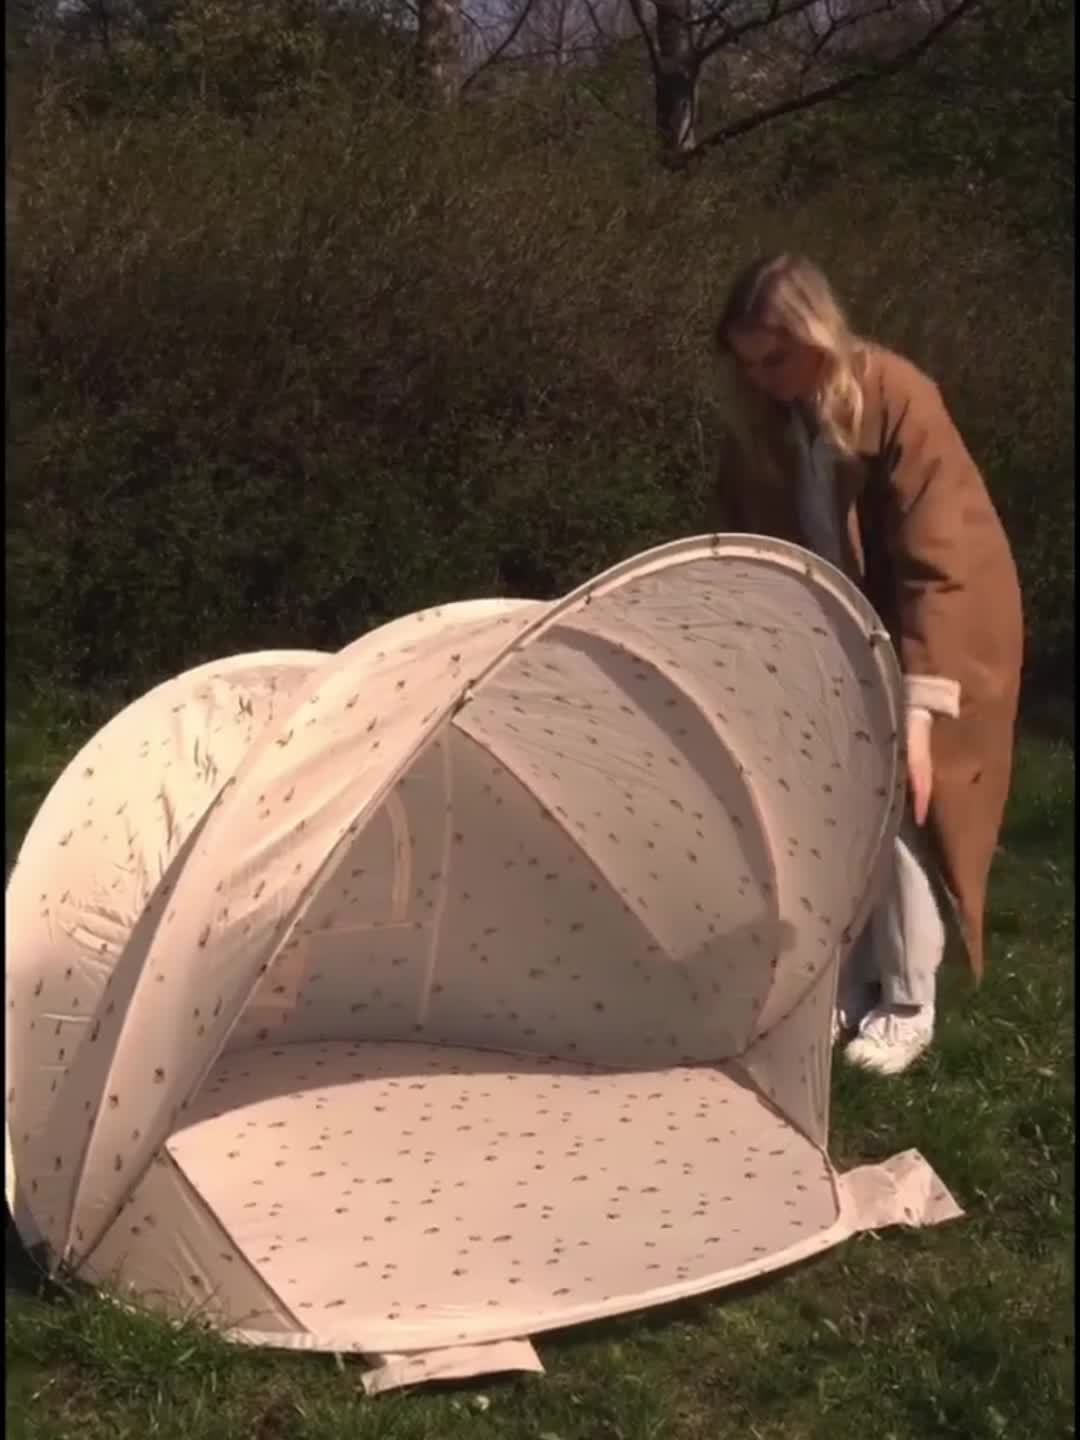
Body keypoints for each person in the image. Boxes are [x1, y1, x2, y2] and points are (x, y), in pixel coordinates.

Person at [712, 253, 1023, 1076]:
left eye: (776, 357)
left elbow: (940, 557)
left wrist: (920, 710)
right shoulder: (768, 422)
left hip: (939, 626)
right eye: (748, 363)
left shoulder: (897, 396)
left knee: (908, 811)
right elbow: (751, 543)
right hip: (837, 631)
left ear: (816, 333)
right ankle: (848, 984)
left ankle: (909, 999)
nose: (764, 377)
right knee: (834, 810)